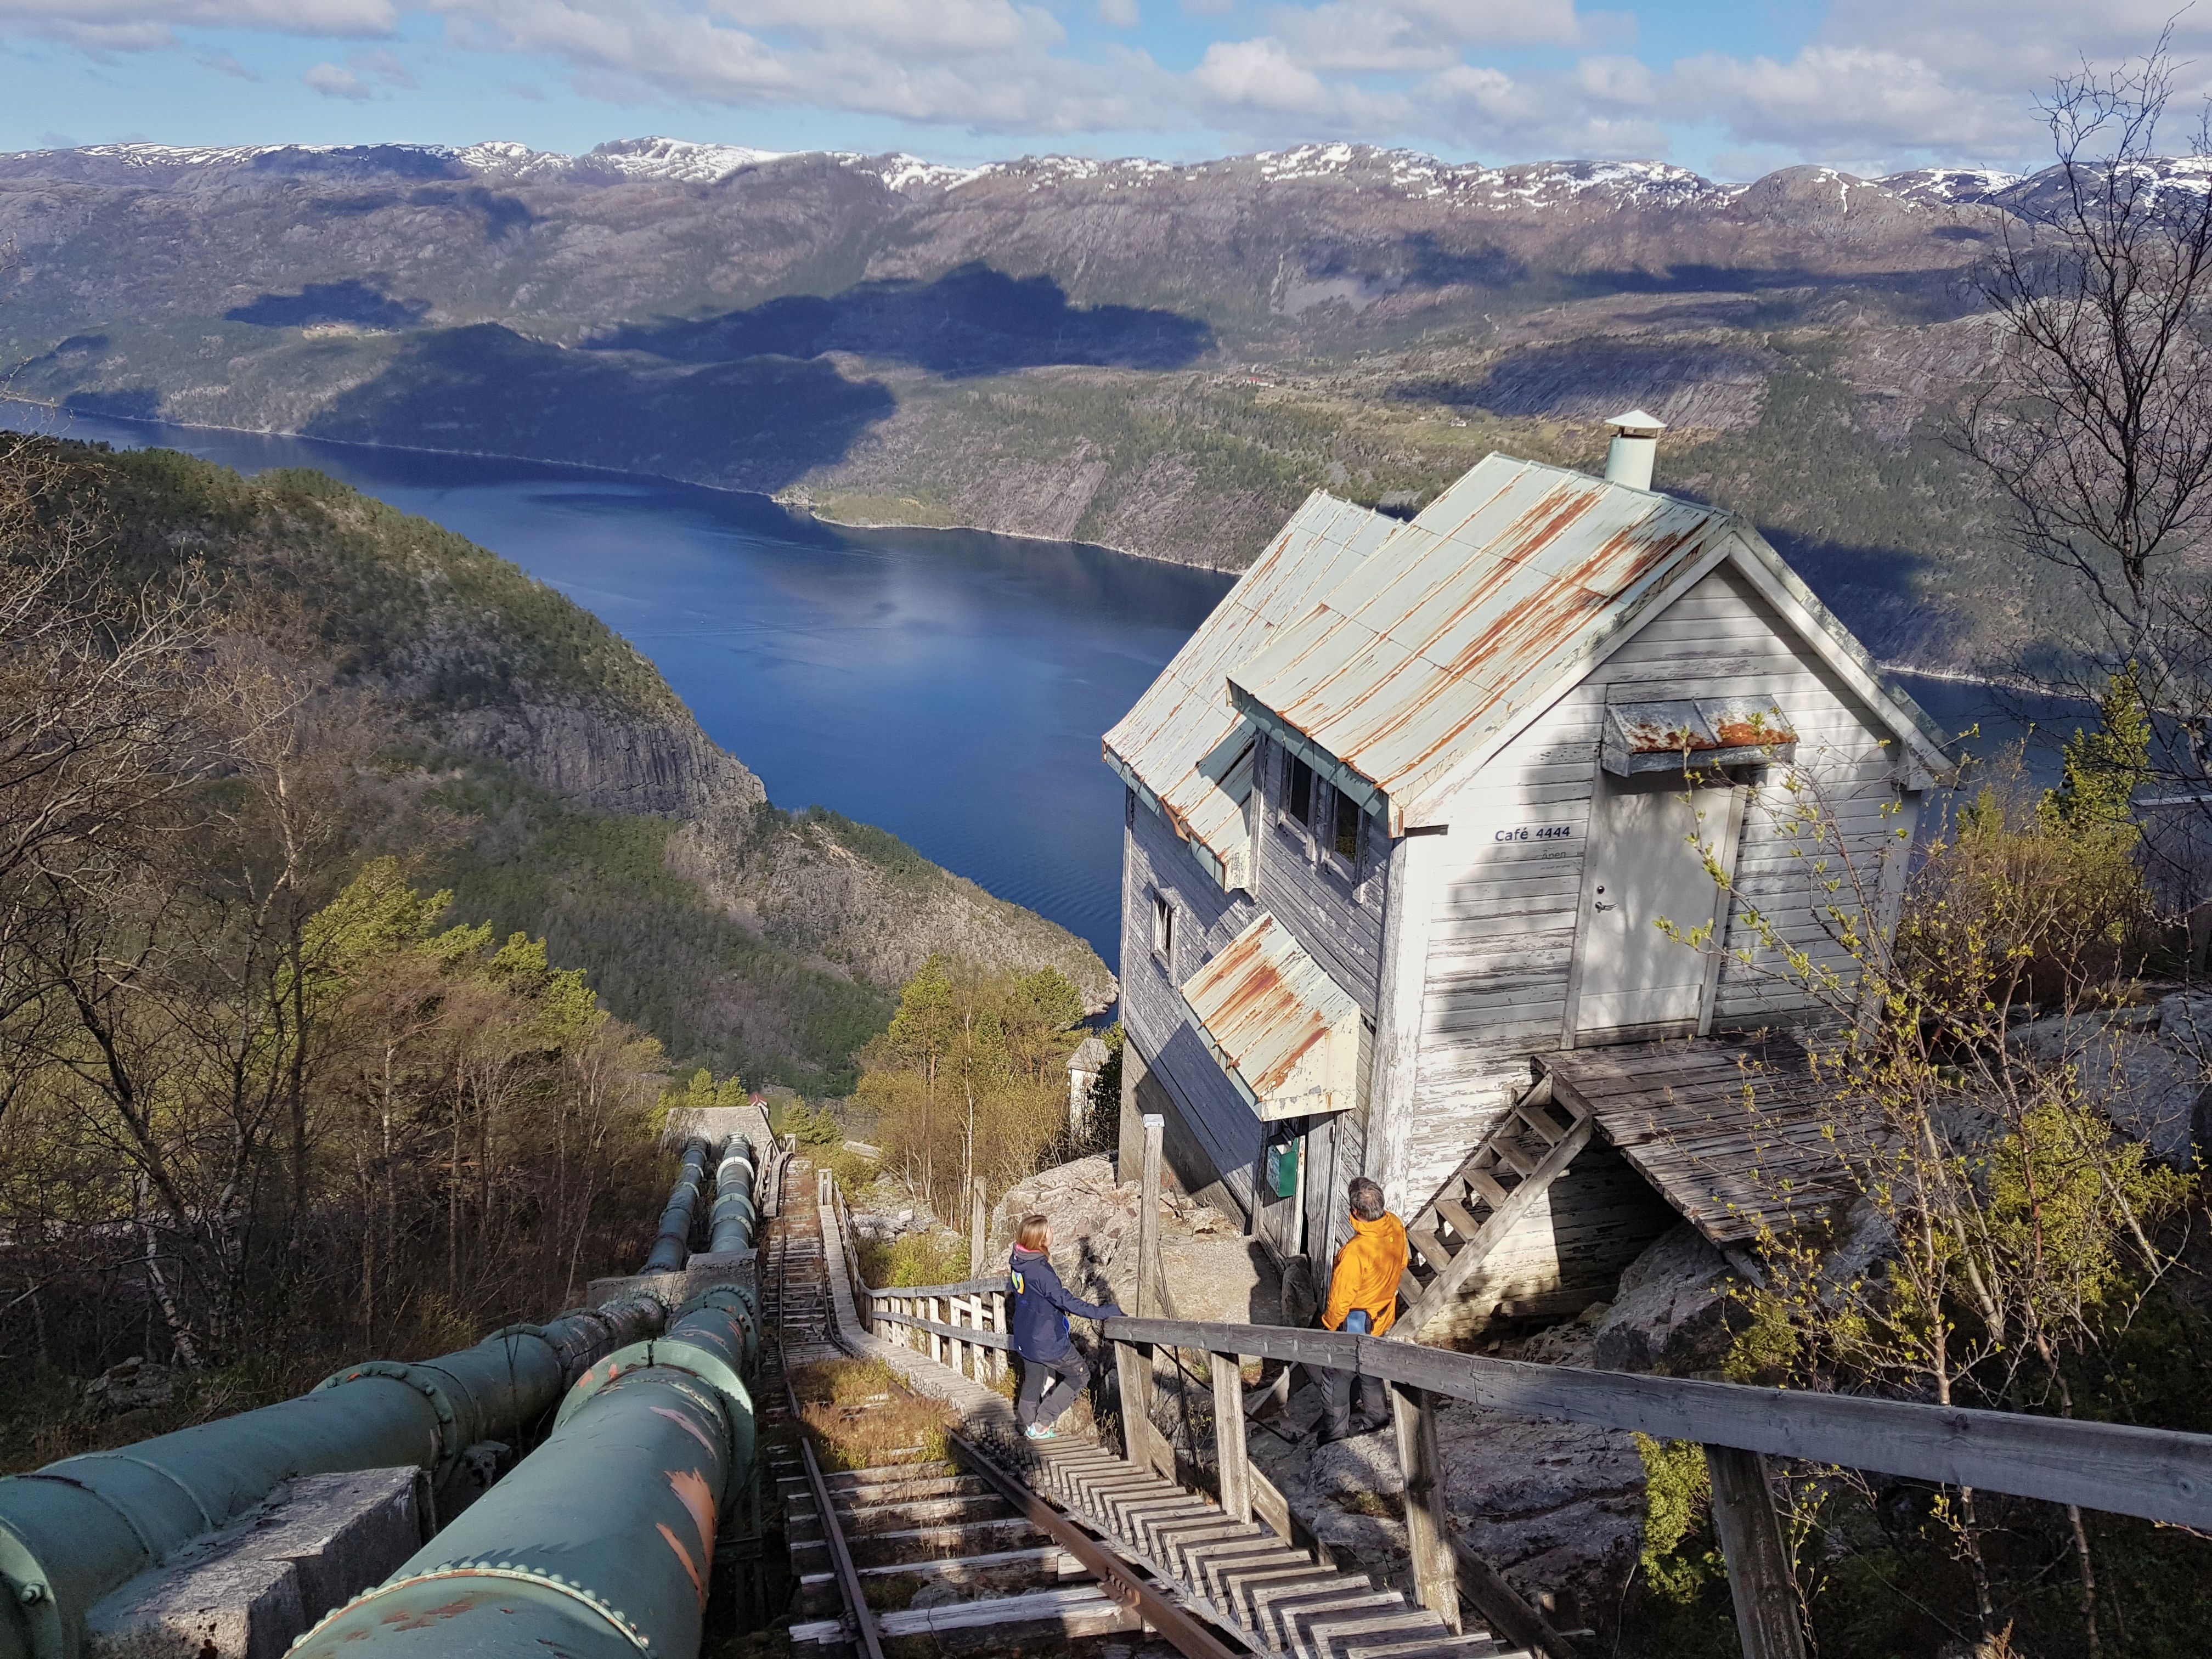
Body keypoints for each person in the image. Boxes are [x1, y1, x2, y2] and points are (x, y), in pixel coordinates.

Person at [1008, 1212, 1124, 1441]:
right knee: (1080, 1375)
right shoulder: (1040, 1271)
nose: (1052, 1231)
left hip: (1025, 1337)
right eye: (1048, 1230)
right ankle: (1042, 1424)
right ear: (1040, 1240)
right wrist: (1102, 1312)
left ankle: (1026, 1425)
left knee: (1033, 1379)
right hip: (1047, 1341)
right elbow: (1065, 1301)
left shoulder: (1019, 1261)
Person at [1316, 1176, 1408, 1443]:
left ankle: (1335, 1434)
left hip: (1354, 1320)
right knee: (1371, 1368)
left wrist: (1329, 1326)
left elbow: (1340, 1302)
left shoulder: (1355, 1252)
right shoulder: (1395, 1225)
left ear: (1355, 1212)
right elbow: (1403, 1263)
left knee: (1337, 1374)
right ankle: (1377, 1420)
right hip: (1382, 1314)